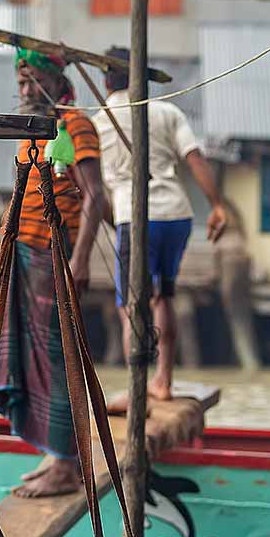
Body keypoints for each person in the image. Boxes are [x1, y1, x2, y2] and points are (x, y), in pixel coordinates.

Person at [0, 47, 107, 498]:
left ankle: (65, 463)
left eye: (33, 81)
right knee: (35, 359)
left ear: (57, 83)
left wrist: (79, 260)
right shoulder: (32, 131)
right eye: (21, 83)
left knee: (57, 357)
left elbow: (95, 195)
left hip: (53, 254)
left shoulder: (74, 123)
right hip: (23, 255)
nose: (25, 90)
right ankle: (57, 452)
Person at [92, 46, 231, 398]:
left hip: (136, 220)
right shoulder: (168, 112)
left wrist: (113, 220)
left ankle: (137, 389)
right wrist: (217, 205)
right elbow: (195, 158)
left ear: (107, 80)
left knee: (130, 306)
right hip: (176, 216)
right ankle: (164, 380)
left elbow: (94, 191)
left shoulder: (98, 122)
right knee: (164, 296)